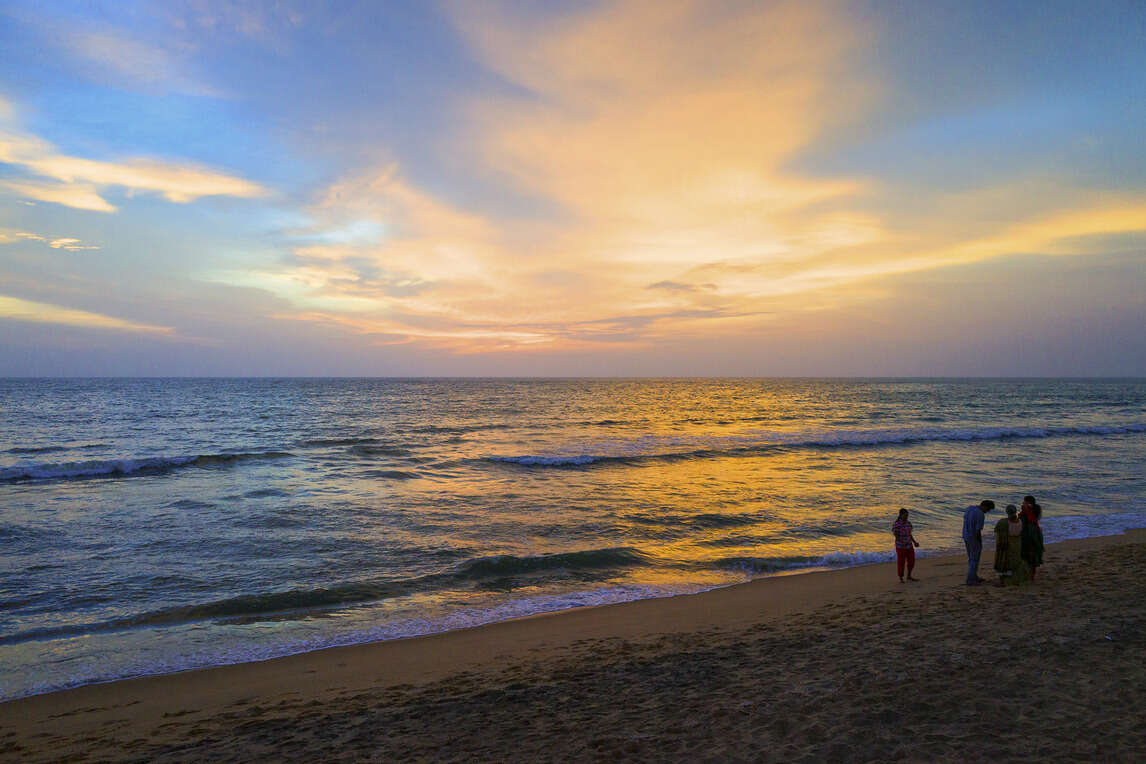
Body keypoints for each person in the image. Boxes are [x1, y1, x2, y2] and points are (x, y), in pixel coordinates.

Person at [993, 505, 1029, 586]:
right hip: (1016, 545)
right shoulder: (1020, 521)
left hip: (1005, 545)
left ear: (1007, 512)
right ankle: (1013, 578)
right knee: (1014, 562)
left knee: (1003, 561)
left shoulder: (1003, 522)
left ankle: (1003, 581)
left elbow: (997, 531)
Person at [962, 500, 994, 585]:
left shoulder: (969, 508)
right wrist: (979, 542)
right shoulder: (980, 514)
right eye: (988, 509)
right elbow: (978, 531)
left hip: (965, 535)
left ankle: (974, 576)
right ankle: (971, 580)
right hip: (973, 538)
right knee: (974, 559)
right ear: (985, 506)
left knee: (971, 557)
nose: (987, 511)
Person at [891, 508, 920, 583]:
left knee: (911, 561)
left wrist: (914, 542)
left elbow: (909, 534)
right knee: (901, 563)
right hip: (900, 547)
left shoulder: (908, 523)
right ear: (901, 515)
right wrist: (902, 542)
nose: (906, 517)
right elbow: (896, 536)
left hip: (909, 545)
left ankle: (909, 576)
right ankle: (901, 578)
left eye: (907, 515)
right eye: (905, 515)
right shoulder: (897, 524)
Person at [1020, 499, 1045, 580]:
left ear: (1029, 505)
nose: (1022, 504)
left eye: (1024, 503)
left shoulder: (1029, 515)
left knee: (1029, 556)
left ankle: (1029, 576)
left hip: (1030, 538)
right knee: (1030, 557)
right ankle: (1030, 575)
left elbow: (1029, 531)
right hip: (1031, 537)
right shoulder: (1029, 514)